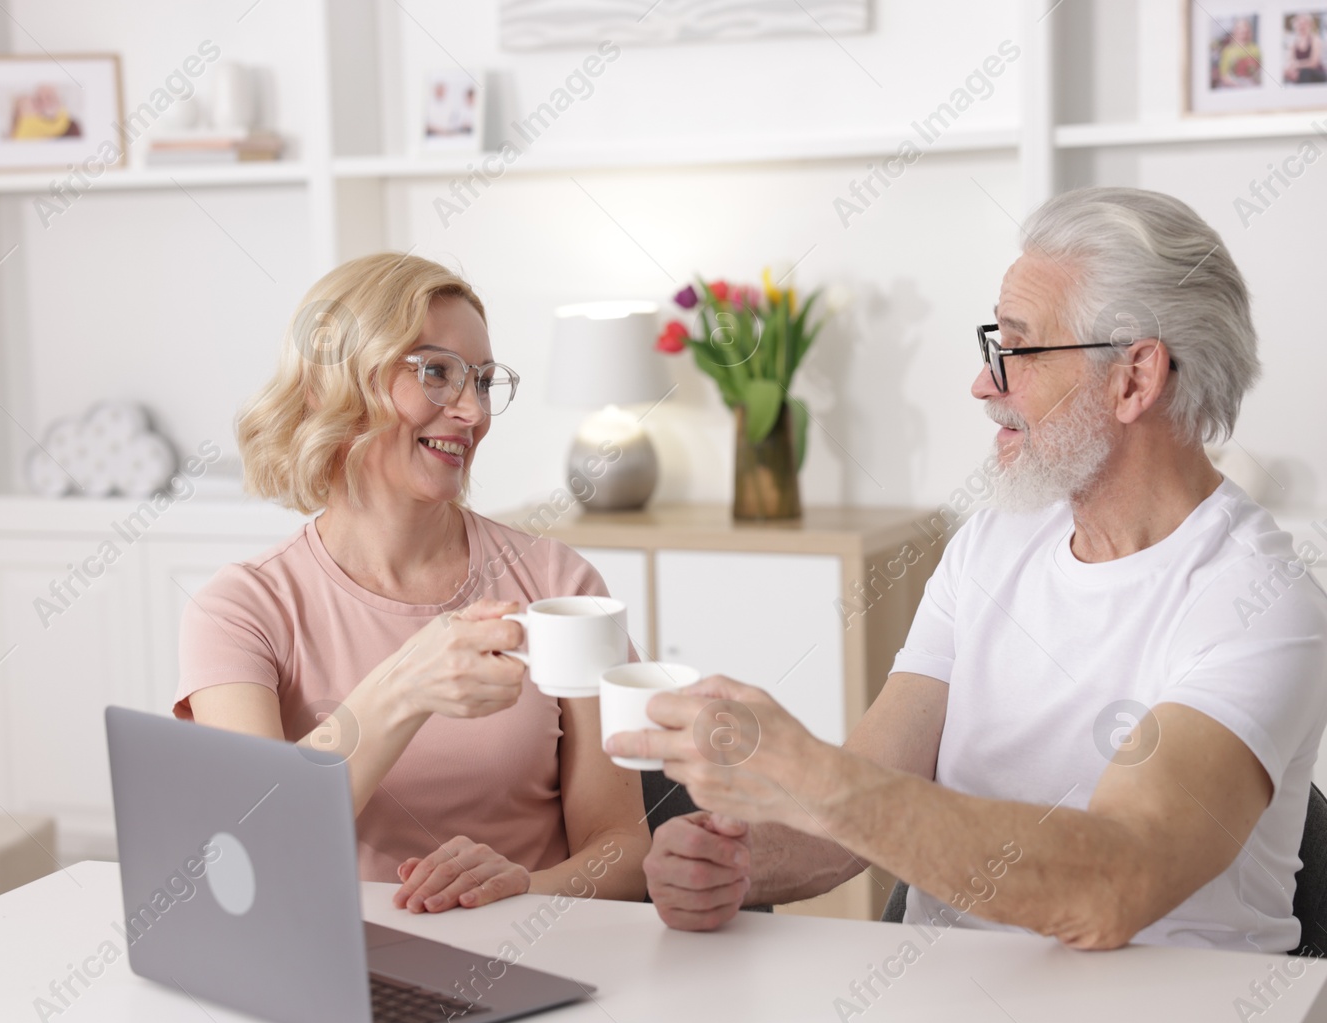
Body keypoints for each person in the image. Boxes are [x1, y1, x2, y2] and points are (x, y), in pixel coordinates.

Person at [609, 187, 1327, 953]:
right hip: (945, 1008)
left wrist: (813, 775)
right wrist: (732, 862)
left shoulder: (1262, 602)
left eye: (1015, 350)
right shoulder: (992, 543)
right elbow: (862, 808)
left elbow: (1114, 882)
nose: (984, 385)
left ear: (1134, 379)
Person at [175, 252, 649, 913]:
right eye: (436, 373)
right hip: (341, 969)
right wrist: (403, 689)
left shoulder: (556, 582)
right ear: (330, 386)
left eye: (483, 381)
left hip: (540, 962)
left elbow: (624, 848)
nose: (471, 411)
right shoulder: (243, 610)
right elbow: (253, 850)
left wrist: (520, 890)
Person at [1216, 18, 1263, 88]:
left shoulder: (1255, 48)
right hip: (1234, 87)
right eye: (1240, 31)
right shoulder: (1227, 51)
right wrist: (1237, 84)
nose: (1243, 34)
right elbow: (1223, 75)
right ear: (1235, 32)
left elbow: (1261, 69)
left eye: (1246, 31)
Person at [1285, 13, 1326, 84]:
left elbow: (1313, 63)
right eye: (1299, 24)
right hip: (1301, 75)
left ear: (1310, 25)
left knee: (1305, 72)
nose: (1301, 26)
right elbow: (1291, 62)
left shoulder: (1315, 40)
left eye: (1304, 24)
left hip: (1316, 74)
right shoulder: (1293, 43)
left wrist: (1297, 65)